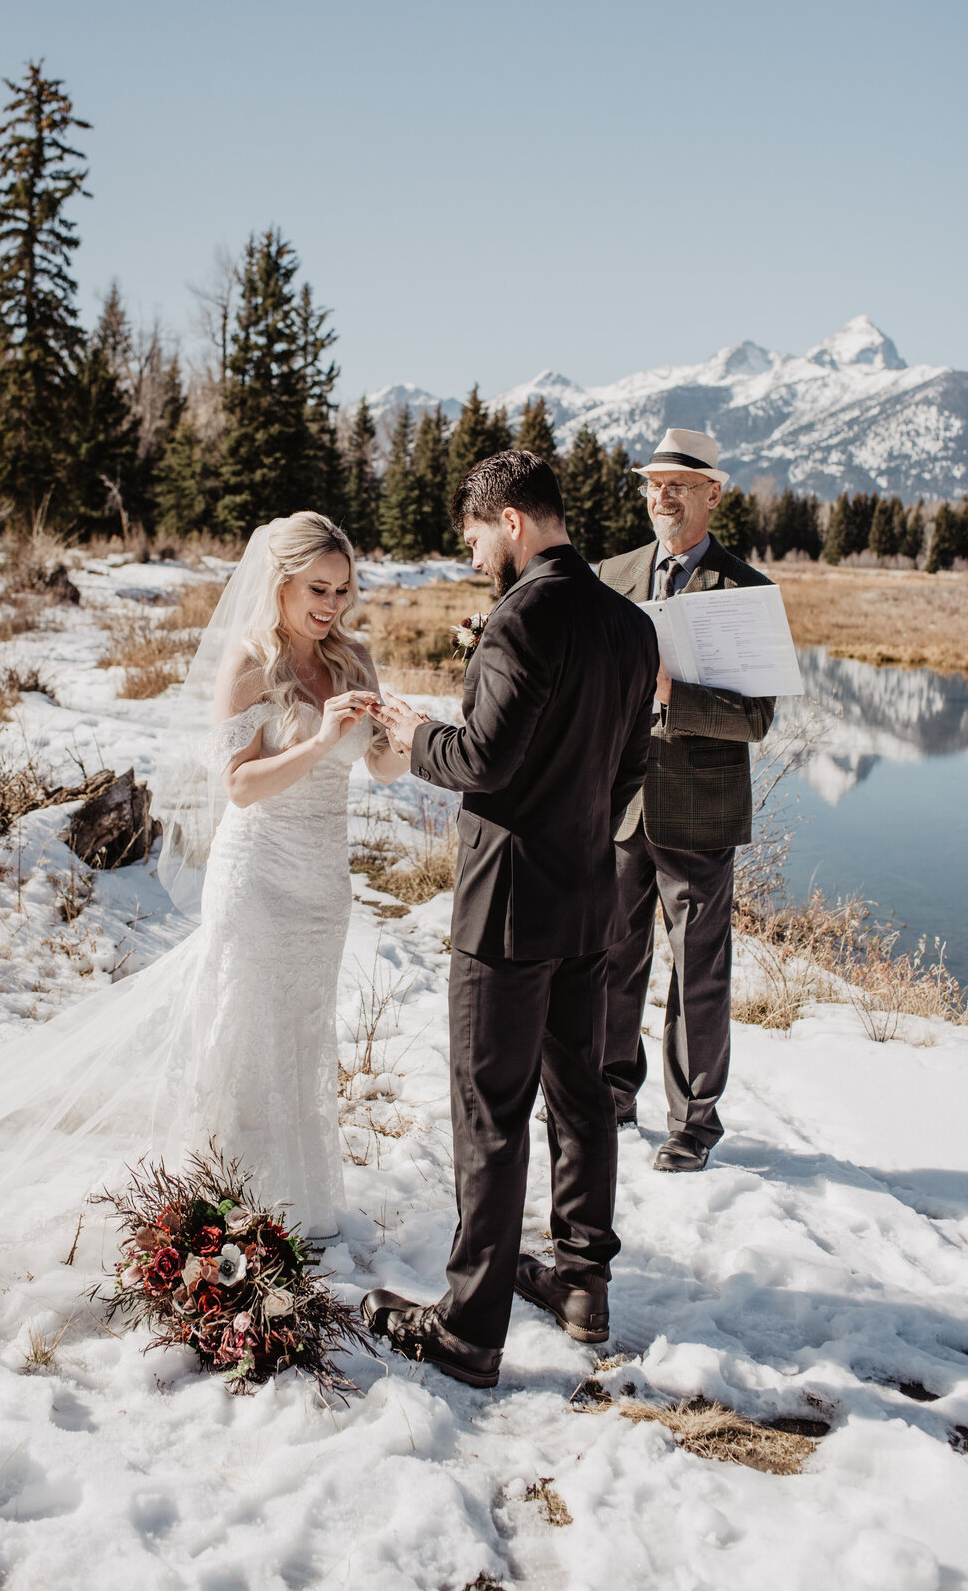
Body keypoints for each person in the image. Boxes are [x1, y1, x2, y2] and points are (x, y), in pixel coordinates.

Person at [0, 512, 409, 1300]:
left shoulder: (353, 656)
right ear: (281, 582)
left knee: (303, 1028)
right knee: (249, 1029)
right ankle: (245, 1202)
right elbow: (240, 787)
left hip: (324, 886)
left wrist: (395, 738)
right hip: (259, 877)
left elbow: (385, 771)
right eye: (317, 589)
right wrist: (322, 740)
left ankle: (306, 1200)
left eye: (343, 589)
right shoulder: (250, 663)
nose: (331, 605)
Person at [362, 451, 657, 1388]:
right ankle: (581, 1282)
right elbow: (627, 771)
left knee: (490, 1110)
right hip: (590, 898)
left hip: (507, 909)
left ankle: (470, 1327)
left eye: (479, 535)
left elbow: (483, 763)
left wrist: (410, 739)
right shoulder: (631, 624)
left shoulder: (522, 616)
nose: (476, 552)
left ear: (515, 523)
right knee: (580, 1097)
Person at [597, 428, 775, 1174]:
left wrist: (674, 693)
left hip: (700, 813)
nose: (662, 495)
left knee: (697, 972)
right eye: (653, 482)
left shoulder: (747, 591)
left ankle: (694, 1125)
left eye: (678, 483)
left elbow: (756, 718)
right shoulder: (609, 575)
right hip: (617, 803)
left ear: (713, 494)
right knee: (608, 959)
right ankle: (606, 1095)